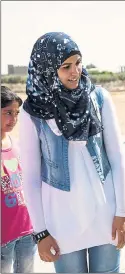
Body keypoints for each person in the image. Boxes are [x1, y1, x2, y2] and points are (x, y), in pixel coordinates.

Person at [19, 32, 125, 273]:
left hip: (106, 215)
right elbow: (30, 178)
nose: (75, 72)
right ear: (47, 70)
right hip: (62, 223)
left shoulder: (99, 98)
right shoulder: (32, 112)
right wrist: (41, 232)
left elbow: (117, 157)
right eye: (66, 66)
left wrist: (122, 212)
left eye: (78, 63)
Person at [1, 86, 36, 273]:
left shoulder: (17, 145)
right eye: (7, 113)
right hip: (2, 236)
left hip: (26, 232)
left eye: (16, 113)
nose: (13, 119)